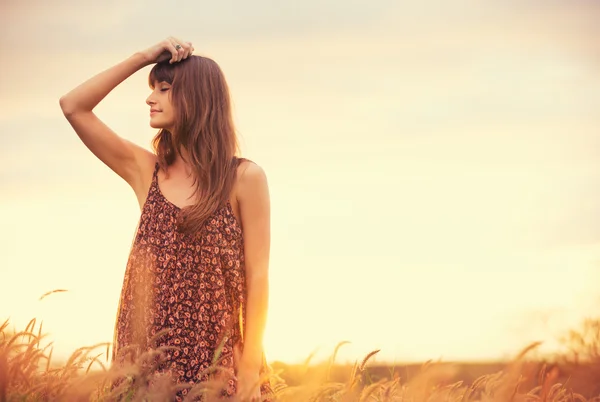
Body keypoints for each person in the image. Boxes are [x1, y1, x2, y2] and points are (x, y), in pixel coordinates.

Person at [59, 37, 272, 401]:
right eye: (152, 87)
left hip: (218, 368)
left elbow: (259, 275)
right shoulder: (147, 172)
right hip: (147, 366)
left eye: (163, 88)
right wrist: (142, 58)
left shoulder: (244, 178)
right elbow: (73, 106)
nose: (149, 98)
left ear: (197, 98)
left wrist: (249, 368)